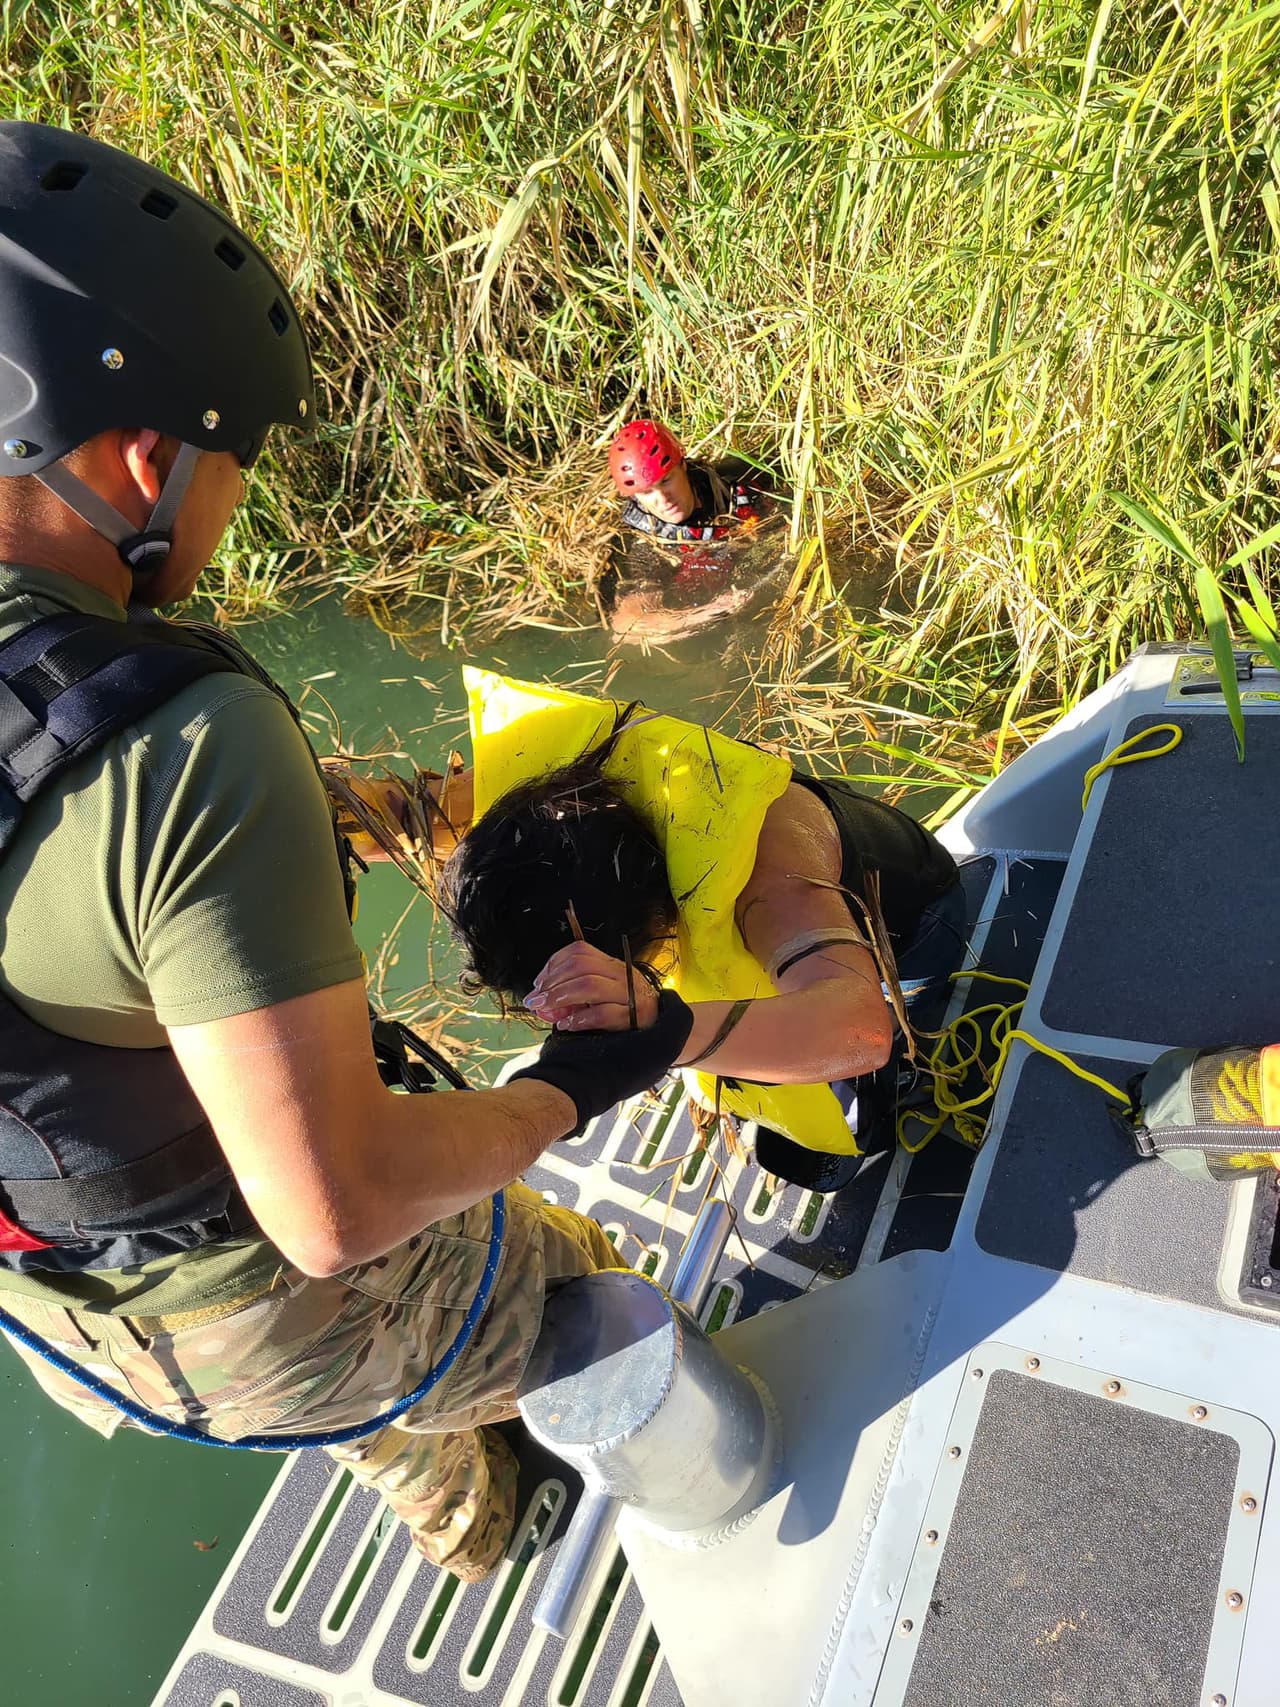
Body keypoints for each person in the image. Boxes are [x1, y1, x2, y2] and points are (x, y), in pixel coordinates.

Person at [0, 123, 695, 1581]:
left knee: (375, 1424)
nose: (226, 498)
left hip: (74, 1317)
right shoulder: (185, 748)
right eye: (227, 461)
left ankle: (466, 1519)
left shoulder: (86, 724)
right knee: (582, 1287)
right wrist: (572, 1085)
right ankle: (661, 1491)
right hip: (284, 1293)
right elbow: (342, 1205)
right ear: (139, 458)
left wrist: (421, 807)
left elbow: (93, 870)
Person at [437, 671, 965, 1190]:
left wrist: (658, 1032)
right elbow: (427, 814)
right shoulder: (561, 817)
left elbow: (859, 1030)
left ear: (655, 923)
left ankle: (891, 1086)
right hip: (818, 906)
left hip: (911, 934)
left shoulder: (767, 881)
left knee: (881, 1044)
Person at [608, 418, 767, 545]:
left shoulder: (724, 483)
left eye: (666, 481)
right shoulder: (639, 543)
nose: (663, 498)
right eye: (647, 492)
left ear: (683, 464)